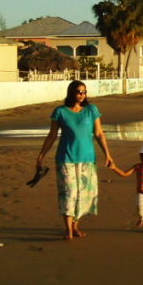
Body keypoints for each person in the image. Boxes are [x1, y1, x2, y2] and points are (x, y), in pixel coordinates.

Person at [30, 80, 115, 240]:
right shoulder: (60, 112)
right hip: (65, 158)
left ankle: (75, 226)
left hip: (87, 159)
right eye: (79, 91)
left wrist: (107, 155)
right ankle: (68, 230)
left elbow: (99, 133)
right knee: (69, 194)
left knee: (83, 195)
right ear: (71, 92)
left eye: (84, 91)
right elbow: (52, 135)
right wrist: (41, 155)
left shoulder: (91, 110)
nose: (82, 95)